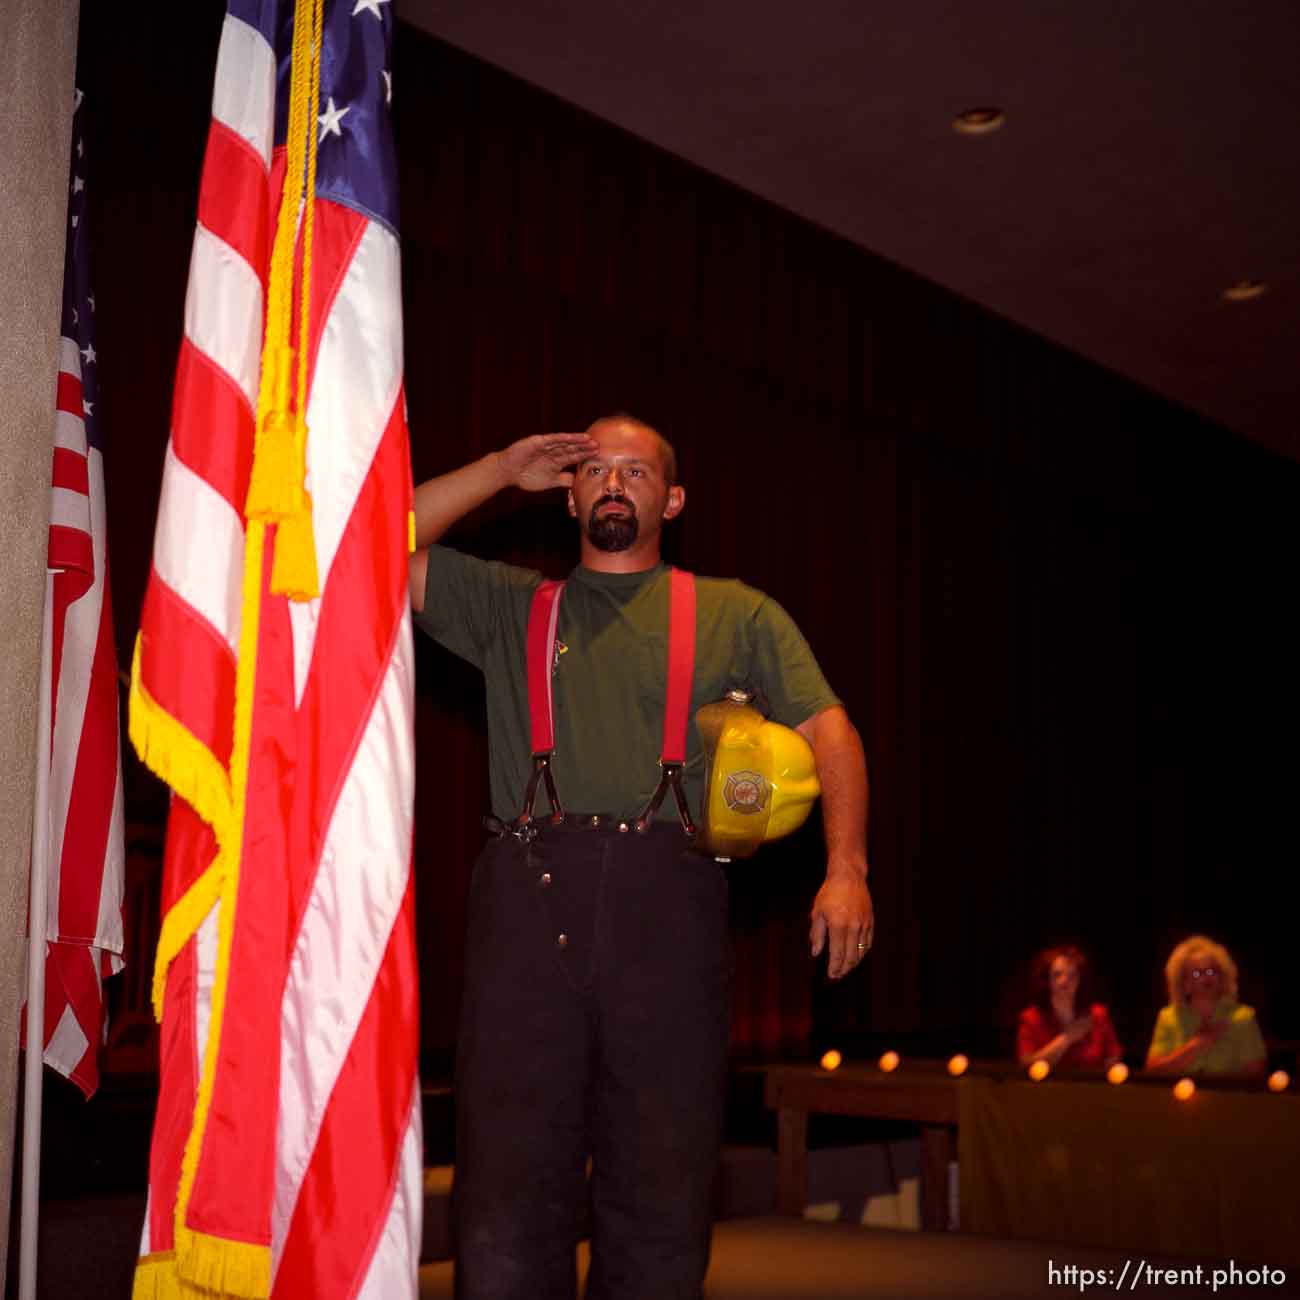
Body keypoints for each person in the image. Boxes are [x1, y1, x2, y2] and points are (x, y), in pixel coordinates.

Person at [410, 415, 874, 1300]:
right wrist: (500, 469)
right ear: (571, 494)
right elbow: (367, 551)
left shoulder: (738, 612)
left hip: (671, 920)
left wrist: (846, 867)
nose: (615, 482)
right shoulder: (511, 606)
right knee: (506, 1197)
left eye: (637, 470)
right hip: (525, 914)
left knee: (662, 1198)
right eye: (596, 470)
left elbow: (833, 731)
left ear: (673, 498)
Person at [1145, 935, 1266, 1077]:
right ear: (1184, 984)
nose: (1206, 978)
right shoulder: (1168, 1017)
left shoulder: (1243, 1017)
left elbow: (1257, 1073)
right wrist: (1196, 1044)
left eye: (1211, 971)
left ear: (1222, 978)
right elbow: (1153, 1071)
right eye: (1197, 973)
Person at [1016, 944, 1122, 1070]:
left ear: (1080, 980)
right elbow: (1026, 1065)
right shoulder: (1031, 1018)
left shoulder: (1098, 1015)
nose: (1064, 981)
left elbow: (1113, 1060)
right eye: (1057, 975)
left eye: (1072, 975)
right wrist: (1067, 1038)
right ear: (1047, 979)